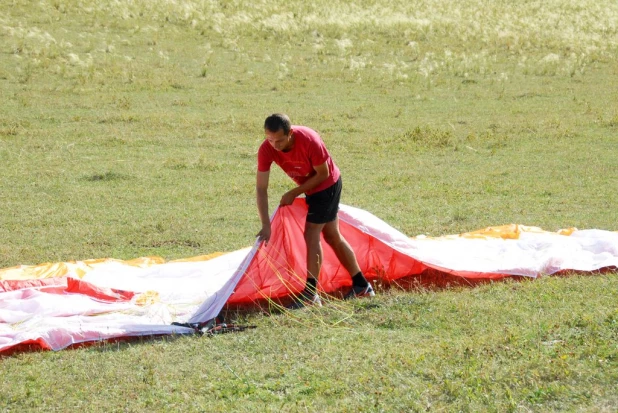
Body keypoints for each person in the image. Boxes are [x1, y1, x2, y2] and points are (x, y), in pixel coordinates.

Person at [255, 113, 374, 308]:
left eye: (280, 140)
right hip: (311, 187)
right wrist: (265, 225)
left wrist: (295, 192)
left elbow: (323, 174)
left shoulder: (309, 140)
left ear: (290, 133)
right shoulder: (266, 149)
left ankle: (310, 294)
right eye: (270, 139)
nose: (275, 145)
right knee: (332, 236)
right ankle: (361, 285)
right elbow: (261, 188)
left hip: (327, 184)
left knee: (312, 233)